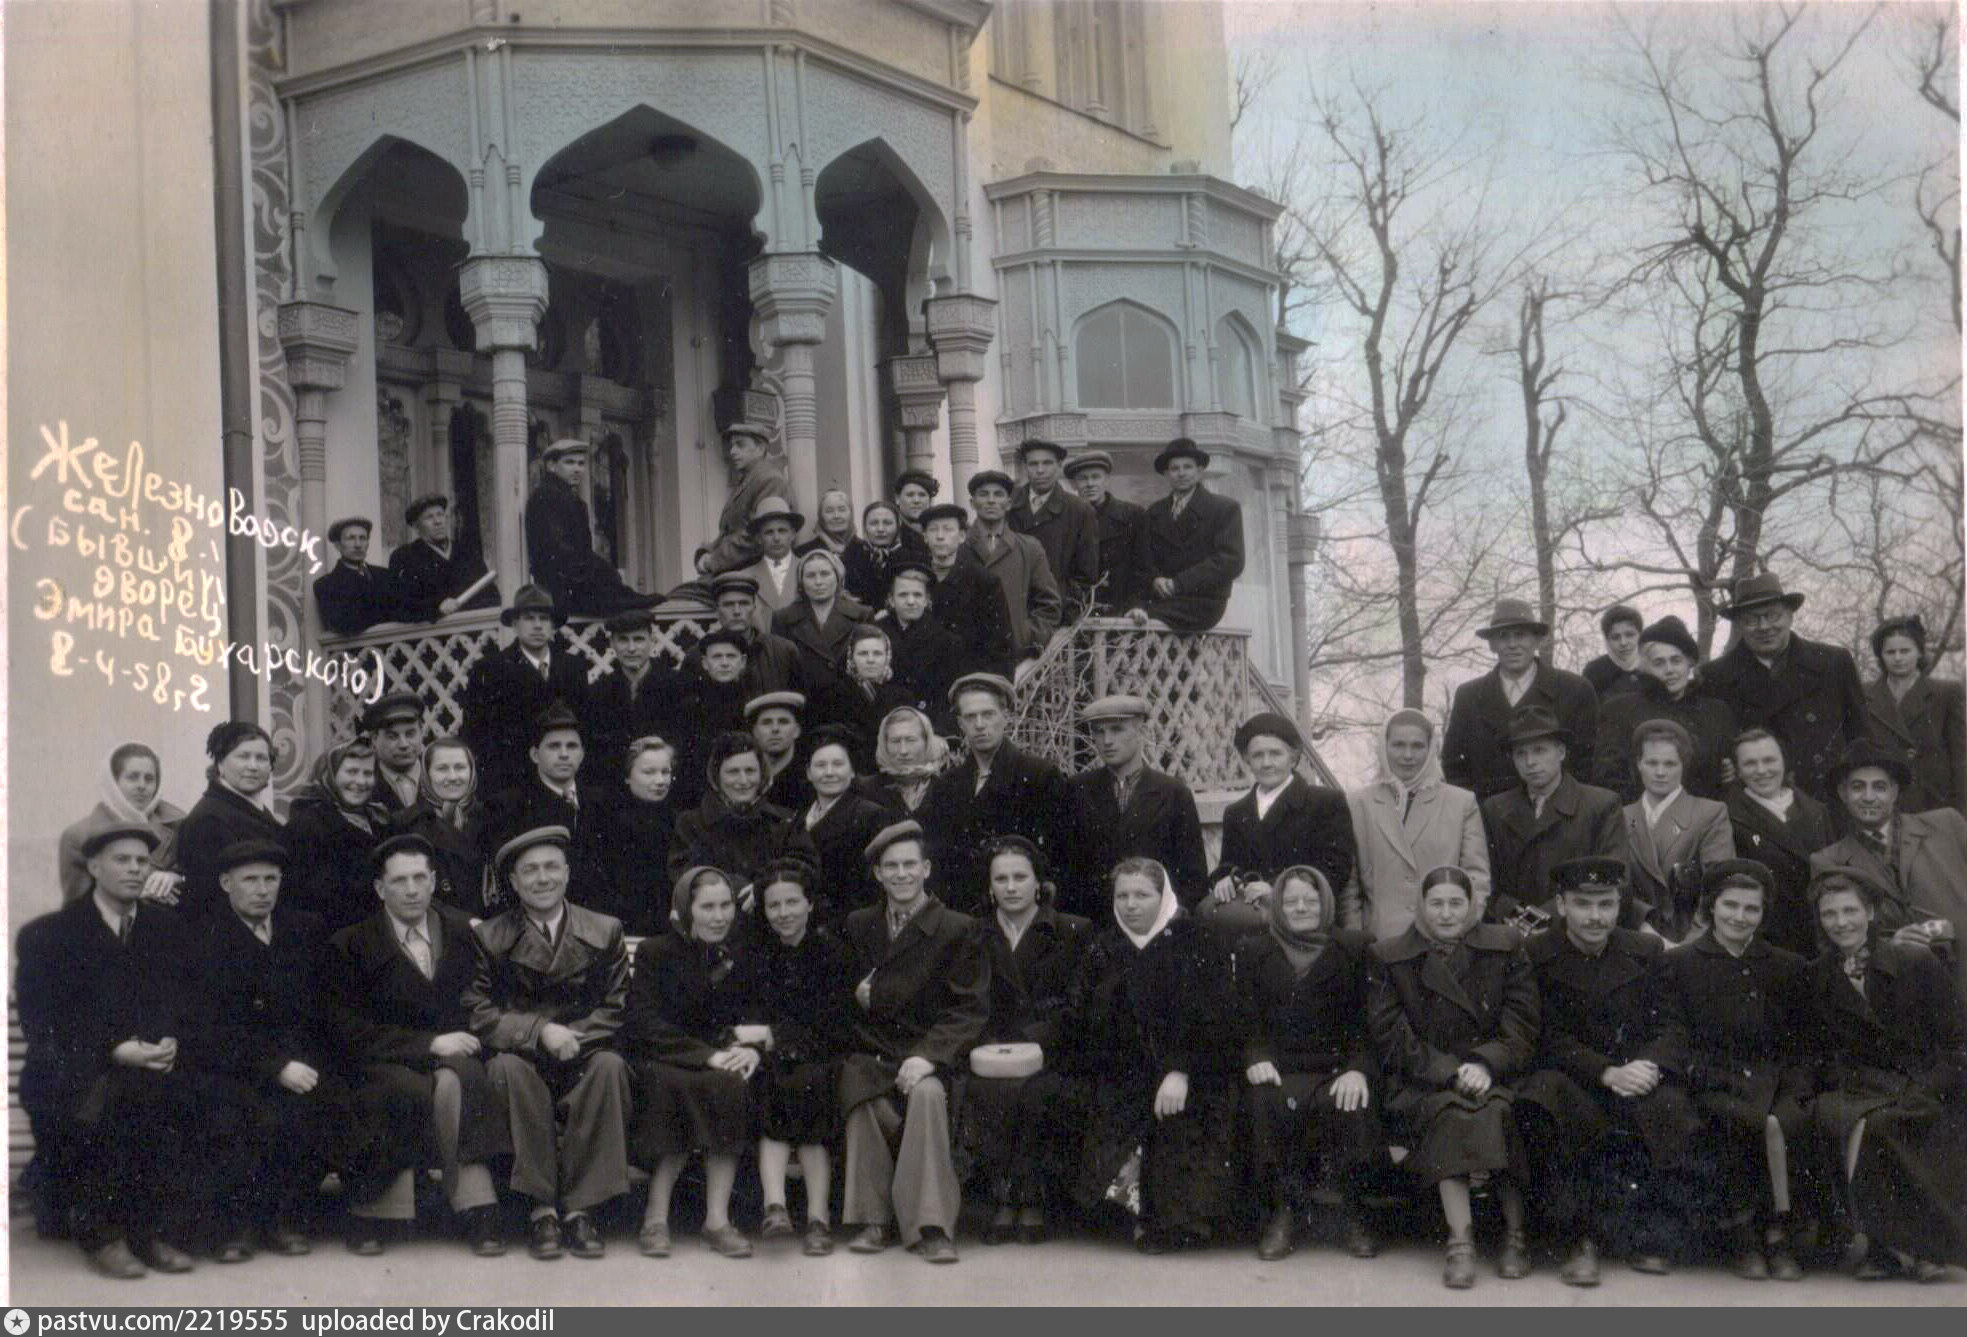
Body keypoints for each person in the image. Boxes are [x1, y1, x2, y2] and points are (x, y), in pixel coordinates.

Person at [16, 818, 252, 1278]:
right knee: (121, 1097)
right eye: (122, 860)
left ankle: (155, 1232)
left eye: (142, 861)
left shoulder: (166, 929)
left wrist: (171, 1039)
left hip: (152, 1061)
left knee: (199, 1094)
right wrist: (113, 1049)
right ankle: (104, 1235)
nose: (134, 869)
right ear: (93, 867)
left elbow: (185, 1000)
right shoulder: (50, 935)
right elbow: (43, 1023)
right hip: (75, 1068)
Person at [1027, 857, 1239, 1253]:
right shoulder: (1104, 947)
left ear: (1163, 896)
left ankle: (1168, 1220)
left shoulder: (1197, 940)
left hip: (1188, 1072)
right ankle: (1116, 1212)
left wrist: (1180, 1070)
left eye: (1142, 895)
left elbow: (1217, 1019)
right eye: (1122, 895)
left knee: (1175, 1117)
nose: (1130, 904)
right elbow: (1077, 1014)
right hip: (1120, 1072)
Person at [184, 838, 382, 1262]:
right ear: (226, 883)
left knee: (327, 1103)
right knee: (232, 1113)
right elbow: (206, 1026)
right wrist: (274, 1066)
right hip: (232, 1065)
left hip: (301, 1059)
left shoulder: (303, 929)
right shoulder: (203, 937)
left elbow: (325, 1007)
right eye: (250, 880)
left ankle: (284, 1218)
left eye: (270, 879)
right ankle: (234, 1226)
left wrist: (306, 1062)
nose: (262, 890)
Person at [1515, 857, 1703, 1286]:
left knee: (1671, 1107)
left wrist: (1649, 1065)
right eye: (1583, 904)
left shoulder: (1646, 950)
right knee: (1543, 1100)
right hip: (1574, 1075)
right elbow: (1542, 1035)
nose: (1595, 917)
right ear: (1561, 905)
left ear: (1620, 906)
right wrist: (1606, 1072)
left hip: (1637, 1072)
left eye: (1606, 904)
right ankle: (1577, 1238)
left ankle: (1651, 1233)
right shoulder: (1536, 954)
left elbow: (1671, 1024)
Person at [327, 834, 508, 1257]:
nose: (411, 890)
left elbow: (484, 999)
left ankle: (475, 1207)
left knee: (462, 1080)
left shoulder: (464, 932)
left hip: (455, 1052)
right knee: (399, 1089)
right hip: (385, 1057)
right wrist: (427, 1044)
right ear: (380, 888)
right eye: (399, 880)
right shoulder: (351, 944)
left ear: (432, 881)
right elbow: (345, 1026)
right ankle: (375, 1210)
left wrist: (452, 1043)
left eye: (419, 878)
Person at [466, 825, 634, 1262]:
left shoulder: (604, 929)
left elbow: (617, 1005)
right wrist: (540, 1032)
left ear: (567, 873)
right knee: (505, 1070)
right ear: (514, 881)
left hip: (585, 1050)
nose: (543, 879)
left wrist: (572, 1037)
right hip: (522, 1054)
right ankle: (540, 1209)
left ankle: (581, 1210)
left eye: (551, 867)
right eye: (530, 871)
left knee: (610, 1067)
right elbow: (479, 1011)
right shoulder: (490, 936)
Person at [1366, 864, 1538, 1289]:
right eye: (1436, 904)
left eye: (1456, 903)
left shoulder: (1505, 946)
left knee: (1499, 1110)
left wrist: (1485, 1064)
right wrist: (1449, 1071)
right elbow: (1392, 1036)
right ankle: (1461, 1241)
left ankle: (1515, 1237)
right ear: (1421, 906)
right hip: (1425, 1079)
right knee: (1453, 1114)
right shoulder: (1390, 956)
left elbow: (1522, 1023)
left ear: (1472, 905)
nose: (1446, 914)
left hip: (1495, 1072)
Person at [836, 821, 989, 1263]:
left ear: (926, 869)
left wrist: (928, 1056)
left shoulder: (958, 928)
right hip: (875, 1049)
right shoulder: (860, 925)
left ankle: (931, 1225)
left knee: (927, 1095)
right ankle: (873, 1218)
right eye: (891, 867)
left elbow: (969, 1008)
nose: (901, 874)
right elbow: (841, 997)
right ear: (878, 874)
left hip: (930, 1054)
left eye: (909, 865)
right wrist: (857, 997)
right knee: (859, 1091)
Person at [1805, 870, 1967, 1280]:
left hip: (1929, 1082)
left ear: (1870, 913)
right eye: (1829, 914)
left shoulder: (1914, 961)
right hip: (1863, 1085)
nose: (1841, 923)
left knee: (1887, 1125)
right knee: (1849, 1119)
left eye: (1850, 911)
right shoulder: (1820, 973)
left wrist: (1928, 1087)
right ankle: (1885, 1248)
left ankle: (1917, 1248)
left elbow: (1955, 1043)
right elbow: (1824, 1049)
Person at [1659, 861, 1815, 1281]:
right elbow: (1674, 1033)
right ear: (1711, 907)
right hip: (1712, 1079)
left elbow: (1802, 1042)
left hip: (1775, 1079)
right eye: (1730, 905)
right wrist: (1699, 1073)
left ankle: (1779, 1234)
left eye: (1751, 909)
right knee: (1735, 1121)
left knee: (1789, 1120)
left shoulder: (1787, 966)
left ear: (1763, 914)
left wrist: (1796, 1088)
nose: (1739, 917)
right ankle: (1743, 1235)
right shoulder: (1680, 962)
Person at [1235, 865, 1383, 1262]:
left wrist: (1357, 1068)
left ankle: (1353, 1211)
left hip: (1337, 1066)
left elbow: (1368, 1022)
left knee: (1352, 1102)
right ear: (1278, 906)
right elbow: (1246, 1019)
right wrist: (1257, 1057)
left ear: (1326, 904)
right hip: (1282, 1066)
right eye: (1291, 901)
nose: (1301, 908)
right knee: (1265, 1098)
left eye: (1311, 900)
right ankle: (1284, 1211)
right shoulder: (1254, 949)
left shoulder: (1355, 947)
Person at [624, 866, 762, 1259]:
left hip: (718, 1059)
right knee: (675, 1085)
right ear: (687, 910)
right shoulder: (655, 952)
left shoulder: (739, 954)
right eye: (708, 907)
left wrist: (751, 1049)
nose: (719, 917)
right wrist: (706, 1056)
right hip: (665, 1055)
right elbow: (644, 1022)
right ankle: (656, 1216)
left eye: (726, 906)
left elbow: (753, 1014)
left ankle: (717, 1220)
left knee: (730, 1083)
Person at [961, 837, 1092, 1246]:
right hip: (990, 1046)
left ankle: (1032, 1196)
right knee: (987, 1088)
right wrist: (989, 1045)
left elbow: (1079, 1002)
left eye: (1020, 877)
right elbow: (967, 998)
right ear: (989, 886)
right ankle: (1004, 1197)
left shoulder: (1072, 930)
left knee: (1036, 1090)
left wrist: (1038, 1040)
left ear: (1038, 883)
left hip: (1050, 1047)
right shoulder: (974, 933)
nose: (1011, 887)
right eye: (1001, 879)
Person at [749, 858, 854, 1257]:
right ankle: (775, 1206)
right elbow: (750, 1015)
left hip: (822, 1053)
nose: (784, 913)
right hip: (775, 1060)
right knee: (773, 1080)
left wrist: (777, 1037)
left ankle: (817, 1216)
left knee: (806, 1083)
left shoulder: (832, 953)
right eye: (774, 905)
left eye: (792, 902)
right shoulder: (759, 956)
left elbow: (835, 1023)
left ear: (810, 904)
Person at [1809, 739, 1967, 995]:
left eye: (1879, 787)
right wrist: (1889, 947)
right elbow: (1834, 940)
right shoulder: (1828, 861)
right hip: (1899, 992)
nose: (1868, 797)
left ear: (1894, 792)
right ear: (1842, 793)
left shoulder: (1947, 824)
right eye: (1858, 787)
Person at [1701, 571, 1866, 803]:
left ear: (1790, 616)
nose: (1764, 626)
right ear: (1739, 624)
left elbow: (1861, 735)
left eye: (1773, 615)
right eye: (1751, 619)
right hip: (1751, 805)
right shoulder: (1715, 676)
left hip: (1827, 799)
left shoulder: (1833, 662)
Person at [919, 673, 1067, 915]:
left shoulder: (1039, 776)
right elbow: (937, 853)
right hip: (961, 913)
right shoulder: (946, 784)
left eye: (988, 714)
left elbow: (1058, 852)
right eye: (970, 717)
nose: (979, 724)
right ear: (961, 724)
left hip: (1018, 910)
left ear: (1006, 716)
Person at [1342, 709, 1489, 941]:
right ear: (1384, 746)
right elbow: (1349, 887)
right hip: (1380, 942)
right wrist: (1356, 940)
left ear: (1431, 749)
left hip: (1443, 940)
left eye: (1418, 746)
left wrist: (1461, 933)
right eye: (1398, 745)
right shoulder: (1358, 803)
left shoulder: (1461, 802)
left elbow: (1476, 878)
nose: (1408, 755)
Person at [1209, 712, 1359, 936]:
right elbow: (1230, 863)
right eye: (1257, 755)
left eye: (1275, 753)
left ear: (1293, 756)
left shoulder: (1325, 802)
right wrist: (1225, 878)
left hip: (1307, 923)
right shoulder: (1236, 812)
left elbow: (1336, 868)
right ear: (1247, 760)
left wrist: (1276, 887)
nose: (1267, 763)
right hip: (1252, 925)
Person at [1058, 694, 1208, 918]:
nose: (1107, 740)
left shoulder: (1174, 793)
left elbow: (1193, 877)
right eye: (1099, 732)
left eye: (1117, 730)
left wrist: (1169, 920)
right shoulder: (1076, 790)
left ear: (1142, 733)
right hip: (1094, 924)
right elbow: (1065, 869)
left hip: (1155, 923)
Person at [1480, 705, 1627, 929]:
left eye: (1539, 750)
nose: (1530, 762)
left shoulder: (1601, 805)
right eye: (1520, 753)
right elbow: (1485, 878)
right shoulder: (1495, 809)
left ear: (1561, 752)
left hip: (1575, 930)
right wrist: (1515, 914)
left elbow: (1616, 878)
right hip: (1511, 930)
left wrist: (1547, 918)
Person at [1443, 598, 1600, 801]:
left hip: (1560, 813)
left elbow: (1588, 761)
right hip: (1489, 814)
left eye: (1521, 635)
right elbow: (1454, 766)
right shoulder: (1469, 696)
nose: (1512, 645)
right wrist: (1478, 811)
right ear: (1492, 644)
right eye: (1503, 636)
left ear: (1537, 640)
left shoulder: (1575, 689)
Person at [460, 583, 589, 798]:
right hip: (513, 782)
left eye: (544, 619)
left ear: (552, 625)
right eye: (529, 618)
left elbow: (585, 725)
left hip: (563, 778)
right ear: (515, 624)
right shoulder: (490, 669)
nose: (537, 626)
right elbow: (476, 735)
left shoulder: (573, 667)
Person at [1593, 615, 1740, 802]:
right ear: (1645, 668)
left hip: (1705, 813)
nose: (1669, 670)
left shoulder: (1716, 712)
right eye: (1659, 663)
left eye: (1676, 660)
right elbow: (1608, 777)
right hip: (1642, 814)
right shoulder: (1619, 710)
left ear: (1689, 663)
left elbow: (1730, 771)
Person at [1724, 727, 1838, 959]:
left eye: (1769, 760)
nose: (1762, 770)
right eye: (1750, 763)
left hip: (1820, 937)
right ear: (1738, 771)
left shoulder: (1817, 811)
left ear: (1784, 762)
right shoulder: (1728, 816)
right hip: (1768, 941)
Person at [1622, 719, 1737, 942]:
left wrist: (1689, 946)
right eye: (1652, 763)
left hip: (1691, 941)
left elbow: (1720, 886)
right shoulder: (1621, 817)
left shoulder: (1709, 813)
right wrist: (1646, 931)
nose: (1660, 772)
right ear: (1638, 764)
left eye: (1670, 764)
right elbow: (1617, 888)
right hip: (1637, 937)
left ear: (1683, 765)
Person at [669, 731, 815, 906]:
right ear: (717, 775)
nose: (743, 780)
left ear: (761, 774)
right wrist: (737, 889)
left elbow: (806, 867)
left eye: (750, 771)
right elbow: (686, 877)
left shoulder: (786, 821)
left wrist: (764, 887)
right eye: (733, 772)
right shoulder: (691, 824)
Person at [523, 439, 658, 616]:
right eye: (569, 462)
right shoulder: (546, 497)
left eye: (581, 464)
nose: (577, 469)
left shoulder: (568, 498)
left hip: (573, 583)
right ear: (551, 465)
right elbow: (558, 550)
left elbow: (581, 552)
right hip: (561, 589)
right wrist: (601, 573)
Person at [1128, 438, 1245, 633]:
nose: (1181, 473)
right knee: (1128, 619)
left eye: (1188, 467)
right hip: (1162, 597)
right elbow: (1144, 560)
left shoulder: (1223, 508)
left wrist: (1179, 583)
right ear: (1166, 474)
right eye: (1174, 468)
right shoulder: (1154, 512)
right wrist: (1155, 579)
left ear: (1200, 471)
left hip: (1202, 602)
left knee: (1138, 626)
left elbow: (1231, 560)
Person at [175, 721, 286, 921]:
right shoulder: (209, 819)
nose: (252, 766)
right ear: (220, 764)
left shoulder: (250, 809)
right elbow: (210, 898)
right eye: (243, 756)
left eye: (261, 758)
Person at [284, 738, 390, 936]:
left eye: (367, 773)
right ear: (330, 774)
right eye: (351, 772)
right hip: (334, 937)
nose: (361, 781)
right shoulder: (308, 824)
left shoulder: (379, 819)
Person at [474, 701, 586, 886]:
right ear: (535, 755)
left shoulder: (602, 803)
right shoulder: (510, 807)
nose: (564, 754)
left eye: (572, 746)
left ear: (582, 754)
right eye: (554, 746)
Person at [575, 735, 679, 935]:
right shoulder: (604, 822)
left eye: (665, 772)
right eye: (649, 772)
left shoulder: (677, 822)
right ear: (627, 776)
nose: (660, 780)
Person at [1863, 614, 1966, 816]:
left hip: (1932, 803)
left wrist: (1960, 813)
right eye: (1890, 652)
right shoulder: (1865, 694)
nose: (1898, 658)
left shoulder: (1946, 693)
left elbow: (1960, 758)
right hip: (1881, 802)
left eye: (1905, 651)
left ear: (1919, 652)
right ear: (1881, 656)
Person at [58, 743, 186, 904]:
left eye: (149, 779)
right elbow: (77, 908)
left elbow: (198, 881)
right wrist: (136, 893)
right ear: (113, 782)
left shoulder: (178, 824)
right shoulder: (79, 836)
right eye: (132, 777)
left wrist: (176, 877)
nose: (142, 786)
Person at [796, 730, 896, 929]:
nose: (829, 772)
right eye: (820, 765)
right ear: (809, 773)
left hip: (849, 925)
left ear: (851, 772)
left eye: (838, 764)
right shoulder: (798, 820)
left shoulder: (870, 815)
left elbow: (873, 887)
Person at [964, 470, 1062, 666]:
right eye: (983, 494)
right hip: (966, 657)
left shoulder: (1029, 548)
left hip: (1015, 658)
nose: (991, 500)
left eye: (998, 494)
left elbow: (1049, 605)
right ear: (972, 503)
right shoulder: (958, 546)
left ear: (1008, 503)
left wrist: (1025, 637)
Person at [584, 609, 681, 796]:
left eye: (638, 639)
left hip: (666, 785)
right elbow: (595, 748)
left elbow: (684, 738)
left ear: (652, 641)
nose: (631, 648)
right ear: (612, 643)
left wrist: (664, 750)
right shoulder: (598, 692)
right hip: (616, 788)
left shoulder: (676, 685)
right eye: (623, 640)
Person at [387, 736, 488, 916]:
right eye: (442, 769)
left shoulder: (491, 817)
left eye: (460, 767)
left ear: (472, 771)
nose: (453, 777)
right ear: (427, 774)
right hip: (437, 923)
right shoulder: (406, 823)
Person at [919, 501, 1014, 677]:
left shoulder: (983, 581)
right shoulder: (916, 578)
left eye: (948, 529)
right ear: (924, 536)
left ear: (962, 536)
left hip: (968, 677)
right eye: (933, 530)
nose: (940, 536)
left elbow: (999, 646)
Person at [1008, 439, 1099, 616]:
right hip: (1011, 610)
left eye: (1047, 463)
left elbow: (1086, 573)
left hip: (1056, 612)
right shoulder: (1007, 504)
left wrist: (1063, 607)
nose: (1040, 470)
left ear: (1059, 466)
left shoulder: (1080, 510)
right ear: (1025, 467)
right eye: (1033, 464)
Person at [696, 422, 796, 578]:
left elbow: (755, 537)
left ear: (760, 449)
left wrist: (713, 560)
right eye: (732, 446)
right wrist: (706, 553)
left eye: (740, 445)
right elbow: (727, 533)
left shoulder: (770, 481)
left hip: (755, 573)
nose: (732, 451)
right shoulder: (748, 480)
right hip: (736, 569)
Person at [774, 548, 872, 704]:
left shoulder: (861, 615)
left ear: (838, 577)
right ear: (801, 582)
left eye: (825, 574)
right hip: (804, 703)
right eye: (810, 576)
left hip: (850, 702)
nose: (818, 582)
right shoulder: (783, 619)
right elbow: (780, 670)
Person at [684, 573, 805, 697]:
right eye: (728, 604)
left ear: (754, 607)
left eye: (744, 603)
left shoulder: (783, 651)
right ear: (717, 610)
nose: (737, 611)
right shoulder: (698, 655)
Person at [670, 629, 752, 809]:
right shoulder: (690, 706)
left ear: (742, 662)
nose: (724, 663)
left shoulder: (751, 704)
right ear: (705, 663)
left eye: (731, 656)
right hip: (699, 792)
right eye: (717, 657)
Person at [878, 563, 964, 732]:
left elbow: (950, 699)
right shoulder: (877, 634)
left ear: (926, 600)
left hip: (929, 726)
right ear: (891, 600)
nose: (911, 601)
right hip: (885, 723)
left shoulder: (947, 642)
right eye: (903, 595)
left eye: (917, 595)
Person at [1062, 449, 1149, 615]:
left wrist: (1136, 605)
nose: (1090, 484)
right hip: (1077, 611)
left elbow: (1142, 567)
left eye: (1096, 477)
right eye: (1083, 478)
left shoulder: (1133, 515)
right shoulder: (1066, 519)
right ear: (1073, 484)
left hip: (1122, 609)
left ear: (1107, 480)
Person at [388, 494, 499, 620]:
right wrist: (437, 606)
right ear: (416, 527)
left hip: (472, 626)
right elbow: (400, 605)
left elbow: (491, 596)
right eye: (429, 517)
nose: (437, 522)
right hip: (433, 630)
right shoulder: (405, 557)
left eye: (440, 515)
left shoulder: (467, 552)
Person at [824, 623, 916, 767]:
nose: (871, 660)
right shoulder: (833, 695)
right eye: (863, 654)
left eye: (877, 653)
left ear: (887, 657)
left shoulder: (902, 697)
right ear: (851, 658)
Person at [313, 515, 410, 636]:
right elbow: (345, 624)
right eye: (351, 538)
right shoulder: (326, 584)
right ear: (338, 545)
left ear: (368, 543)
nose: (358, 544)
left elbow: (406, 611)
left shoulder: (386, 575)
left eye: (362, 538)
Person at [729, 495, 806, 628]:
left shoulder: (809, 571)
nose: (776, 538)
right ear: (759, 538)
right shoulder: (744, 577)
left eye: (782, 531)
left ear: (793, 534)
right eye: (769, 532)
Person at [842, 499, 930, 607]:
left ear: (898, 526)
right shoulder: (851, 556)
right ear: (864, 526)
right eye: (874, 523)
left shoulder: (913, 558)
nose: (880, 529)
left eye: (887, 523)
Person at [867, 705, 951, 817]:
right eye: (895, 741)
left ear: (926, 742)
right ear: (884, 745)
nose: (903, 751)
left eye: (911, 740)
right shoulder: (868, 790)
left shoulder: (948, 788)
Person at [746, 690, 811, 812]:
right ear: (755, 732)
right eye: (766, 722)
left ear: (797, 730)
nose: (775, 729)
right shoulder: (746, 778)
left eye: (783, 722)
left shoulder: (807, 782)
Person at [364, 691, 427, 815]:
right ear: (374, 739)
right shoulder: (363, 785)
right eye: (392, 736)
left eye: (410, 734)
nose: (403, 744)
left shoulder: (440, 777)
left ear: (421, 733)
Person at [1583, 604, 1649, 700]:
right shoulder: (1594, 671)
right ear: (1607, 640)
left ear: (1640, 635)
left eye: (1629, 635)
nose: (1623, 643)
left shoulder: (1652, 667)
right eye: (1615, 637)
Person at [796, 485, 857, 559]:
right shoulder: (803, 552)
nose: (836, 516)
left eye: (842, 510)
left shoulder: (865, 550)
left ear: (851, 513)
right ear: (821, 516)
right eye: (829, 511)